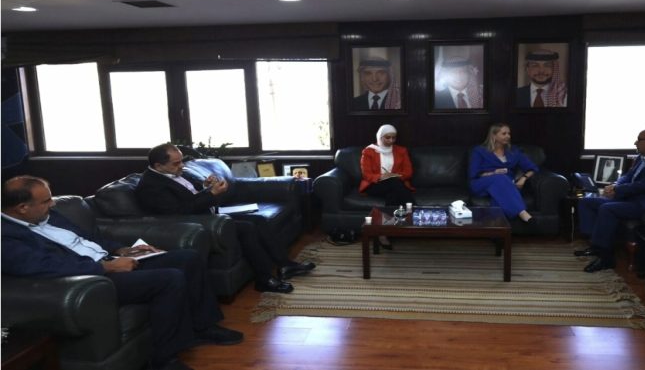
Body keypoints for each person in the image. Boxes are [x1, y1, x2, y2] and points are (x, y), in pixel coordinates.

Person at [1, 176, 243, 370]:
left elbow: (89, 238)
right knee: (170, 279)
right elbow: (45, 266)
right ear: (22, 208)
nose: (52, 204)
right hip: (94, 278)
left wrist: (122, 249)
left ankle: (203, 326)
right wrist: (105, 267)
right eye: (46, 201)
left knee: (188, 258)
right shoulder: (7, 237)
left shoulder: (46, 214)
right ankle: (164, 360)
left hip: (110, 260)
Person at [135, 143, 315, 294]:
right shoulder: (151, 186)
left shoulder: (175, 171)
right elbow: (181, 211)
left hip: (211, 214)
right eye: (176, 163)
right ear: (158, 166)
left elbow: (191, 192)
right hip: (197, 224)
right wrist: (211, 194)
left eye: (181, 160)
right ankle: (264, 279)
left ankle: (285, 265)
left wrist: (205, 186)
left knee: (258, 219)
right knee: (247, 228)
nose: (182, 165)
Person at [574, 129, 645, 273]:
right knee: (586, 202)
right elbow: (628, 176)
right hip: (632, 197)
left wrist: (618, 190)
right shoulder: (643, 156)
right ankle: (596, 245)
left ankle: (606, 259)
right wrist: (615, 185)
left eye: (639, 139)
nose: (635, 142)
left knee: (607, 209)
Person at [469, 123, 538, 225]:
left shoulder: (514, 151)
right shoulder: (479, 151)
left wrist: (523, 178)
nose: (508, 136)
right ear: (494, 135)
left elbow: (532, 168)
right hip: (481, 183)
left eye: (509, 133)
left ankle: (496, 227)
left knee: (499, 194)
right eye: (504, 134)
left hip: (506, 184)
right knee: (500, 178)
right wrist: (493, 173)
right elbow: (474, 174)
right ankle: (523, 213)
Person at [359, 124, 415, 249]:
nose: (391, 140)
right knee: (394, 183)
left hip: (394, 184)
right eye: (388, 137)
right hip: (375, 185)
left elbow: (408, 172)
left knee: (392, 192)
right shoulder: (369, 151)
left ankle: (383, 232)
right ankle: (414, 210)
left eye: (394, 138)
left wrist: (393, 175)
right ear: (380, 137)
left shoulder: (401, 151)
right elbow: (366, 174)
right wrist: (382, 176)